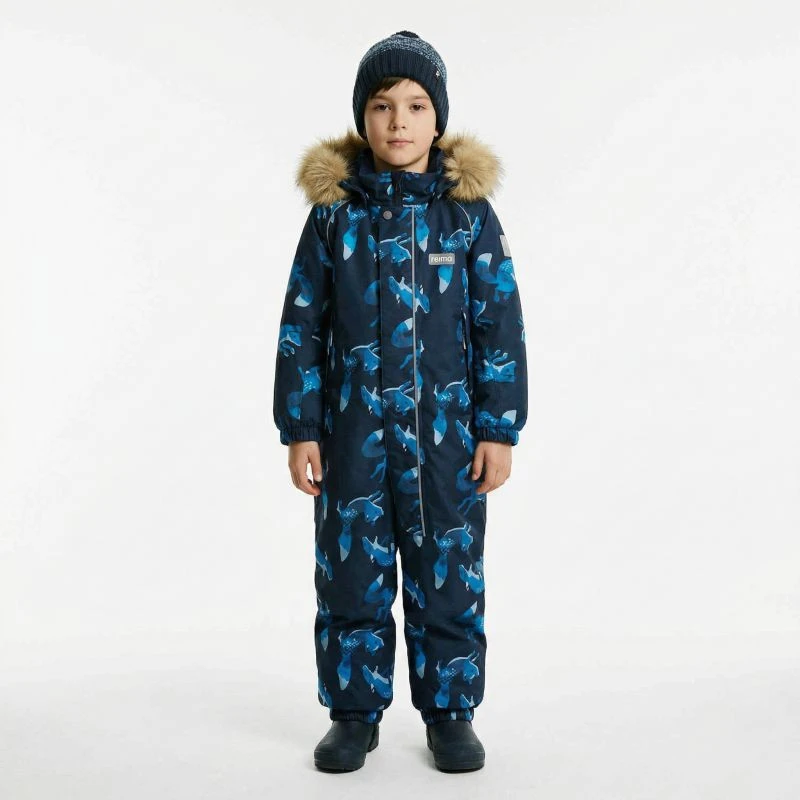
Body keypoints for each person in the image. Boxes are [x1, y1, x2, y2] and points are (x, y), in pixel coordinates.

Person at [273, 30, 528, 773]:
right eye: (382, 106)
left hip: (446, 443)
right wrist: (301, 426)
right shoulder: (333, 217)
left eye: (416, 106)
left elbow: (499, 323)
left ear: (438, 119)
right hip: (351, 436)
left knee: (449, 572)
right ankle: (353, 712)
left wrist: (498, 428)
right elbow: (302, 323)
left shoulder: (467, 216)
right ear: (362, 117)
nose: (398, 122)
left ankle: (450, 710)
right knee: (350, 573)